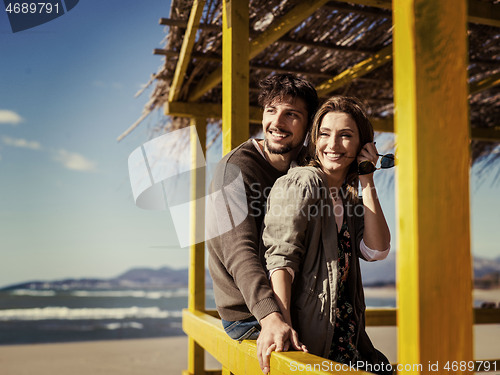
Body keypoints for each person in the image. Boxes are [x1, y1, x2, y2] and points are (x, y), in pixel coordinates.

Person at [263, 96, 393, 374]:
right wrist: (283, 326)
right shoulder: (301, 182)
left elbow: (377, 250)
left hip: (348, 343)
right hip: (311, 345)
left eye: (346, 136)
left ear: (363, 146)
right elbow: (281, 261)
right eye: (324, 134)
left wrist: (367, 179)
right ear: (314, 139)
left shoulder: (350, 201)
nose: (332, 145)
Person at [206, 73, 319, 374]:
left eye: (291, 114)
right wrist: (271, 317)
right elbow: (239, 253)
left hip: (295, 306)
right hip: (250, 314)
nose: (277, 123)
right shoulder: (235, 169)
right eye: (271, 110)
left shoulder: (306, 167)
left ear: (308, 125)